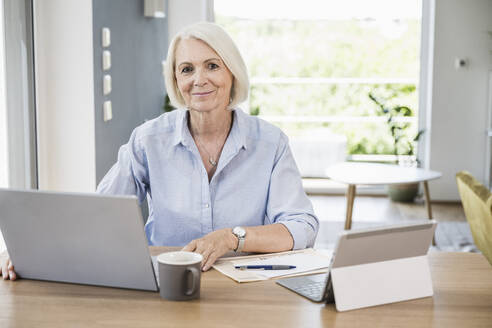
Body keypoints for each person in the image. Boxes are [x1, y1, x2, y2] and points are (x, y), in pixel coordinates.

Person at [1, 22, 318, 280]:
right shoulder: (148, 140)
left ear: (232, 73)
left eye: (212, 66)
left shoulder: (271, 143)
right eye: (187, 69)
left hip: (247, 288)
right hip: (166, 284)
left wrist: (231, 237)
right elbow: (100, 213)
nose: (199, 80)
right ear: (176, 79)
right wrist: (30, 250)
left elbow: (301, 227)